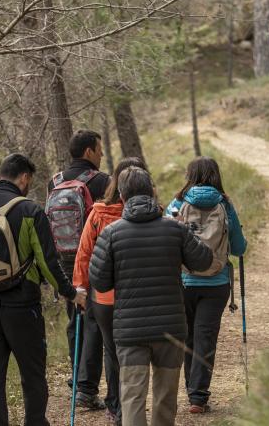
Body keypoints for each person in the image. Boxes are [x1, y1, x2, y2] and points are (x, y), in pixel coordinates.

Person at [0, 154, 86, 426]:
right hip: (22, 308)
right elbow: (48, 262)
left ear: (0, 175)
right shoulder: (30, 211)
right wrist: (70, 293)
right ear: (24, 178)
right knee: (33, 374)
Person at [89, 166, 213, 426]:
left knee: (132, 397)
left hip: (130, 330)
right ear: (152, 193)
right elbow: (204, 261)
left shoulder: (112, 234)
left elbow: (99, 282)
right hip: (170, 328)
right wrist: (185, 232)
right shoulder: (174, 230)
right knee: (165, 399)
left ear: (122, 196)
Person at [166, 156, 247, 414]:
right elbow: (239, 247)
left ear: (190, 175)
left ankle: (192, 389)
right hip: (217, 282)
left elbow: (166, 239)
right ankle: (198, 397)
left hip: (184, 281)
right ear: (216, 175)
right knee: (205, 337)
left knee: (188, 336)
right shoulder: (225, 204)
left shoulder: (178, 202)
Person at [73, 157, 147, 425]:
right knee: (138, 350)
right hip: (139, 295)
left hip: (104, 297)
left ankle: (116, 406)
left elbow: (84, 254)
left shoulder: (99, 213)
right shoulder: (152, 213)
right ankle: (132, 405)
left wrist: (80, 288)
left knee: (112, 350)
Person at [47, 129, 110, 409]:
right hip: (93, 258)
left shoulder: (55, 182)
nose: (102, 154)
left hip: (63, 259)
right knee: (94, 320)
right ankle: (87, 388)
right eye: (99, 149)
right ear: (88, 152)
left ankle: (77, 377)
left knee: (75, 317)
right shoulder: (102, 181)